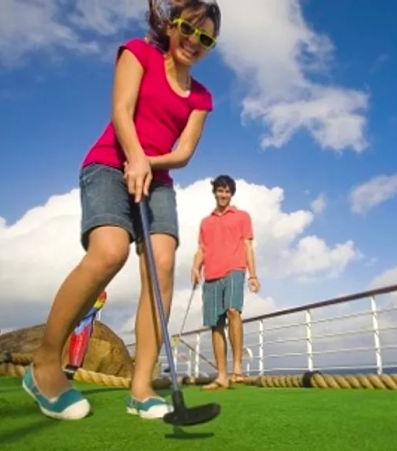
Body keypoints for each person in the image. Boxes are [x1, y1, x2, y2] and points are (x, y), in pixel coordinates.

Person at [24, 0, 222, 420]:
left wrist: (148, 163)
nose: (194, 41)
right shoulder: (138, 52)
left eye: (206, 39)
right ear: (173, 25)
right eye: (189, 28)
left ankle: (141, 388)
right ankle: (43, 366)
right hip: (109, 165)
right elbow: (121, 112)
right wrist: (134, 157)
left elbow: (183, 152)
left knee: (162, 265)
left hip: (158, 178)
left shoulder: (202, 97)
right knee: (110, 252)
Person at [192, 175, 260, 390]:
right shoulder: (206, 222)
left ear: (231, 194)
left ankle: (237, 369)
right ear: (214, 192)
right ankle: (221, 375)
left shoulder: (242, 217)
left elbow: (248, 246)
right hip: (211, 274)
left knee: (233, 311)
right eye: (220, 191)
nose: (223, 195)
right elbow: (201, 249)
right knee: (215, 324)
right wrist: (195, 268)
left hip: (235, 270)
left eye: (227, 191)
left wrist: (253, 275)